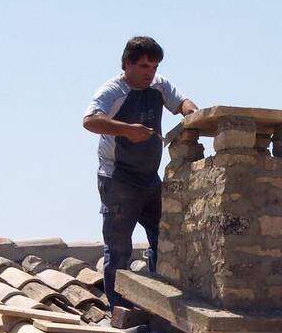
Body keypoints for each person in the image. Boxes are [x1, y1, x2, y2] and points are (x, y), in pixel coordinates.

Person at [83, 36, 199, 308]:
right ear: (127, 65)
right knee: (119, 248)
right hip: (118, 178)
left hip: (149, 178)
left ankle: (158, 301)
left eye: (154, 67)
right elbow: (89, 120)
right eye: (144, 67)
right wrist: (127, 129)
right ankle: (119, 308)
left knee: (165, 238)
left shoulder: (159, 86)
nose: (151, 73)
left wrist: (192, 112)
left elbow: (181, 101)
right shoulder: (112, 91)